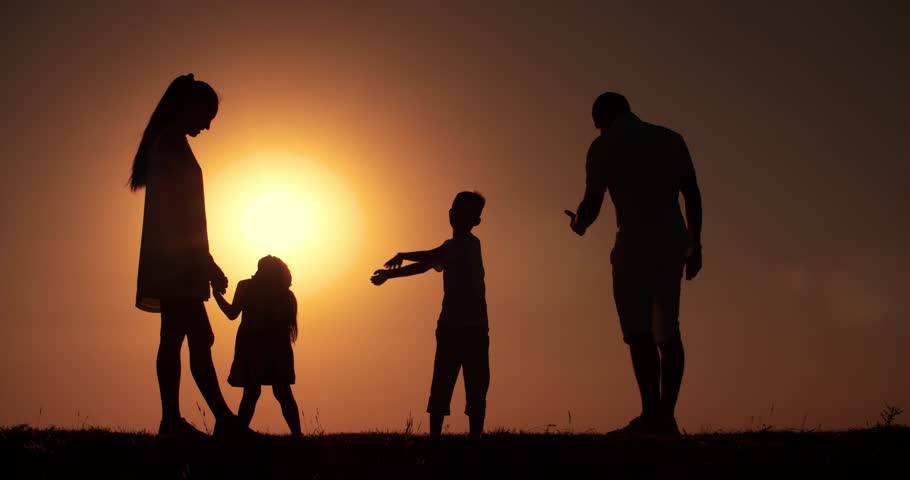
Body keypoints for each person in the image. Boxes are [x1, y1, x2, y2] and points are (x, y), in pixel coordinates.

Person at [566, 92, 703, 435]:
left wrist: (579, 224)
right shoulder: (670, 138)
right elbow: (692, 193)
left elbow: (593, 201)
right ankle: (664, 416)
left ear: (606, 115)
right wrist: (694, 243)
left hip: (636, 242)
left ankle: (652, 415)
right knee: (668, 330)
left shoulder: (604, 147)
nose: (597, 129)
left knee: (639, 333)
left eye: (597, 123)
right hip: (672, 239)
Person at [130, 73, 245, 437]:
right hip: (177, 264)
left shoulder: (169, 144)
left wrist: (204, 262)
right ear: (189, 107)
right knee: (196, 337)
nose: (208, 125)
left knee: (182, 338)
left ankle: (177, 420)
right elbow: (184, 216)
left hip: (176, 261)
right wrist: (206, 263)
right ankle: (215, 422)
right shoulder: (170, 146)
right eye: (207, 115)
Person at [371, 191, 490, 440]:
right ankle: (436, 438)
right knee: (443, 382)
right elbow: (425, 265)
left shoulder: (468, 244)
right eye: (455, 209)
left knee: (475, 384)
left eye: (465, 212)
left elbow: (429, 258)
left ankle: (473, 439)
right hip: (451, 327)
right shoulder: (452, 248)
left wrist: (402, 256)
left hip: (473, 328)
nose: (456, 214)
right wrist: (389, 275)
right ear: (450, 214)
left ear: (475, 221)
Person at [213, 255, 302, 436]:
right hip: (275, 347)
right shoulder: (284, 294)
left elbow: (231, 313)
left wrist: (216, 295)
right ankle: (297, 435)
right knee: (281, 392)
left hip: (252, 346)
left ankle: (240, 435)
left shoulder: (246, 287)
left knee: (253, 392)